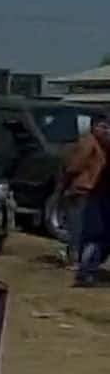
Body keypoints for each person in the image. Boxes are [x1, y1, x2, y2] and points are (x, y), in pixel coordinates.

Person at [64, 117, 110, 287]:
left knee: (94, 234)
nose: (105, 130)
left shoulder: (102, 145)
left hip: (95, 192)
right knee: (88, 232)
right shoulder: (90, 143)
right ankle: (83, 269)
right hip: (87, 190)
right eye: (102, 126)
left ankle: (86, 268)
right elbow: (74, 165)